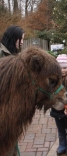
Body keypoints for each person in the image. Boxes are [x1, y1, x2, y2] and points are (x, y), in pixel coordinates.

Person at [0, 25, 24, 156]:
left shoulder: (15, 54)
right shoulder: (1, 54)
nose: (21, 43)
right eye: (20, 39)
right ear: (13, 38)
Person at [50, 54, 67, 156]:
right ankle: (62, 146)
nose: (63, 70)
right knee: (61, 131)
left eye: (65, 68)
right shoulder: (54, 80)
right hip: (57, 111)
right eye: (60, 68)